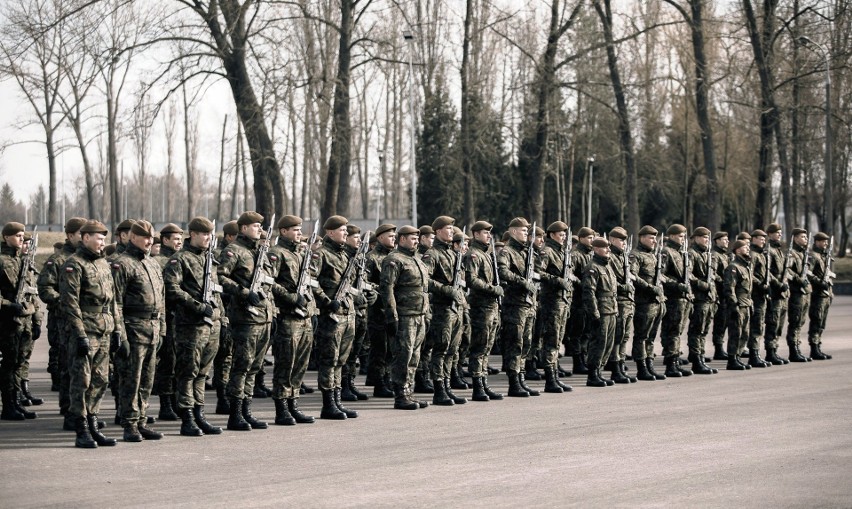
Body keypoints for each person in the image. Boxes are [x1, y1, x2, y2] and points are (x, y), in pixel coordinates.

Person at [163, 216, 226, 436]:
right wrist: (197, 307)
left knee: (202, 374)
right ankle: (187, 417)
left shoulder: (209, 259)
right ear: (194, 234)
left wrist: (221, 317)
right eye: (205, 234)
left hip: (212, 325)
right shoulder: (180, 260)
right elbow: (172, 289)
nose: (209, 238)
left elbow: (216, 291)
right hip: (190, 325)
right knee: (187, 373)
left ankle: (200, 414)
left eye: (210, 234)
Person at [59, 220, 119, 448]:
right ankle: (81, 428)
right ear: (85, 238)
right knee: (81, 381)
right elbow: (69, 303)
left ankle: (93, 422)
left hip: (104, 329)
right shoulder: (74, 265)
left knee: (100, 380)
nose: (102, 242)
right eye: (99, 238)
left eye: (104, 239)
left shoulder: (103, 264)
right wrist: (80, 334)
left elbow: (112, 301)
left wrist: (116, 330)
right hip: (85, 330)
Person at [217, 211, 275, 431]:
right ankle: (235, 414)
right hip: (245, 318)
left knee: (254, 367)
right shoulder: (234, 251)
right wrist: (242, 291)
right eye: (254, 226)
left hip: (263, 317)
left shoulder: (260, 251)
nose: (258, 230)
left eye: (260, 226)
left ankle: (247, 411)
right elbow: (220, 277)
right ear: (242, 228)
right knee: (241, 367)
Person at [111, 220, 167, 441]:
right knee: (131, 379)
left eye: (151, 237)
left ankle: (142, 420)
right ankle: (129, 423)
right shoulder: (121, 264)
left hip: (152, 328)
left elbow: (161, 299)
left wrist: (162, 329)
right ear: (132, 237)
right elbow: (115, 303)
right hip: (133, 329)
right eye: (144, 237)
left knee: (147, 379)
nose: (149, 241)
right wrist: (120, 334)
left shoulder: (153, 264)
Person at [265, 215, 320, 425]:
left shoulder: (302, 253)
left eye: (300, 230)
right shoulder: (276, 254)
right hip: (288, 316)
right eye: (295, 230)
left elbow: (310, 284)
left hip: (304, 316)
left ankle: (294, 404)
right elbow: (270, 282)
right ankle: (282, 408)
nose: (299, 233)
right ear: (283, 231)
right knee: (285, 364)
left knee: (300, 364)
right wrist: (290, 297)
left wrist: (312, 310)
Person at [37, 217, 87, 425]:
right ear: (70, 236)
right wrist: (64, 301)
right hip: (63, 321)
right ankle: (69, 412)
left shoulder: (85, 259)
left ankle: (83, 412)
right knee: (68, 366)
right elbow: (44, 288)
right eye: (80, 235)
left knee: (84, 368)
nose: (84, 238)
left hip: (85, 321)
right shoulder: (57, 260)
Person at [312, 215, 359, 419]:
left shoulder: (345, 256)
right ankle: (328, 403)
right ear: (330, 232)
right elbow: (311, 281)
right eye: (342, 230)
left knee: (341, 361)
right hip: (330, 315)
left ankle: (337, 401)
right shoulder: (321, 254)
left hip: (347, 313)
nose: (346, 233)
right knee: (329, 360)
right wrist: (325, 301)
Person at [380, 225, 431, 410]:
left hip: (419, 314)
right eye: (412, 238)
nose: (416, 241)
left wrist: (427, 312)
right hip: (404, 316)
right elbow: (387, 289)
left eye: (417, 238)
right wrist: (392, 316)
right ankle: (400, 394)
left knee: (414, 356)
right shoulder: (394, 260)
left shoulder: (417, 259)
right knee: (403, 355)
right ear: (402, 239)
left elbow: (424, 290)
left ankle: (409, 392)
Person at [422, 216, 467, 406]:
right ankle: (439, 389)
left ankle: (447, 386)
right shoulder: (432, 255)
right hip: (442, 308)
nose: (452, 231)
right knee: (440, 349)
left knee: (452, 351)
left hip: (456, 309)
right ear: (438, 231)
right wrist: (445, 289)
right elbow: (426, 279)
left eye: (452, 228)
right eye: (448, 228)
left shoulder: (453, 254)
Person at [0, 222, 39, 421]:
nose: (21, 239)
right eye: (17, 235)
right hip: (6, 321)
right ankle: (7, 405)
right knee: (8, 364)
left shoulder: (22, 261)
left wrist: (36, 319)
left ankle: (15, 402)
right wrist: (7, 305)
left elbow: (32, 293)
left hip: (24, 321)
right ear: (6, 237)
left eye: (23, 235)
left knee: (17, 363)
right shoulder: (2, 260)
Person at [497, 217, 540, 397]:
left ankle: (521, 379)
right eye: (523, 231)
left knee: (526, 343)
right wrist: (522, 282)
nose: (526, 234)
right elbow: (503, 271)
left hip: (528, 304)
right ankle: (513, 383)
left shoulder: (526, 252)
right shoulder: (507, 252)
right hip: (514, 304)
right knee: (515, 343)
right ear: (513, 231)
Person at [463, 221, 505, 401]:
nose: (489, 235)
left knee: (487, 347)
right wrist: (492, 288)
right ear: (476, 234)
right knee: (479, 347)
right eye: (485, 233)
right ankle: (477, 386)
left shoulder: (487, 254)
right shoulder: (473, 254)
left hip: (491, 306)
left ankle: (484, 382)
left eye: (490, 233)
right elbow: (471, 280)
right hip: (481, 307)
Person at [536, 221, 574, 392]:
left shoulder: (562, 252)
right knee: (551, 341)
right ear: (552, 235)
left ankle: (555, 376)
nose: (564, 237)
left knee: (557, 341)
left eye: (565, 234)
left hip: (562, 301)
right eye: (561, 234)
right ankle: (550, 379)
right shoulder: (547, 251)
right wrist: (557, 280)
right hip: (551, 301)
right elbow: (538, 272)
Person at [153, 222, 184, 421]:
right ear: (165, 240)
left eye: (181, 240)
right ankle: (166, 404)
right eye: (175, 239)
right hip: (168, 317)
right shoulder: (159, 261)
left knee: (179, 363)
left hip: (182, 318)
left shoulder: (179, 259)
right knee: (168, 363)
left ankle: (175, 402)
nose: (179, 243)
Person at [340, 224, 376, 402]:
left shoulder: (360, 258)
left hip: (361, 312)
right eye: (355, 237)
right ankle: (342, 386)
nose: (359, 241)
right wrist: (356, 298)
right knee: (345, 353)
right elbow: (340, 288)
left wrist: (372, 293)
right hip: (347, 310)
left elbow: (366, 282)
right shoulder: (345, 257)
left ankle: (350, 383)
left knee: (355, 352)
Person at [365, 224, 397, 398]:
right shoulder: (372, 258)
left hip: (392, 309)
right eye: (390, 235)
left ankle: (387, 379)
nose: (393, 238)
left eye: (394, 235)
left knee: (391, 348)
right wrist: (383, 289)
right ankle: (379, 383)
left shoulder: (394, 257)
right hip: (378, 309)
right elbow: (366, 282)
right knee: (380, 348)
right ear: (380, 238)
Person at [630, 226, 666, 381]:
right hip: (644, 302)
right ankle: (641, 368)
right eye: (651, 238)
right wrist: (650, 288)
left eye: (655, 239)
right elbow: (633, 276)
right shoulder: (636, 255)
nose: (654, 241)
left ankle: (650, 365)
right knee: (641, 336)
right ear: (642, 238)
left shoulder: (653, 256)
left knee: (651, 337)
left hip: (657, 302)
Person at [582, 237, 618, 387]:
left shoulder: (607, 266)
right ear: (596, 249)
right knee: (598, 343)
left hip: (611, 309)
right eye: (605, 248)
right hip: (601, 311)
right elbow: (589, 293)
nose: (608, 250)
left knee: (608, 343)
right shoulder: (592, 267)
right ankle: (592, 374)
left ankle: (600, 372)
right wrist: (594, 312)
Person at [659, 224, 693, 377]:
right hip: (673, 298)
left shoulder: (682, 253)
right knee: (673, 331)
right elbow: (660, 276)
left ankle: (675, 359)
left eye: (684, 236)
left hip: (683, 299)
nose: (683, 239)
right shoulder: (667, 252)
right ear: (672, 236)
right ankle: (671, 364)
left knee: (678, 331)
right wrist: (677, 285)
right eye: (680, 236)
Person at [212, 220, 239, 413]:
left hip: (236, 312)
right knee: (224, 358)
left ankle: (230, 395)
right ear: (229, 237)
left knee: (232, 357)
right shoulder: (220, 256)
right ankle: (222, 398)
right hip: (224, 310)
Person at [685, 227, 719, 375]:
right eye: (704, 237)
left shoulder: (708, 255)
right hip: (699, 298)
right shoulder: (692, 254)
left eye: (708, 237)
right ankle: (697, 360)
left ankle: (699, 355)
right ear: (696, 238)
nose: (706, 240)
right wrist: (701, 284)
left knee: (704, 330)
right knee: (697, 330)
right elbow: (688, 274)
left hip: (709, 298)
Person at [607, 227, 638, 383]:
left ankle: (621, 364)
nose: (624, 243)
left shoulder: (622, 257)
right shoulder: (610, 257)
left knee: (625, 336)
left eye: (625, 240)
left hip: (627, 302)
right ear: (612, 240)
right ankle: (615, 368)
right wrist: (624, 287)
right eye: (621, 240)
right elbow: (610, 282)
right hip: (618, 302)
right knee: (617, 337)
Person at [566, 227, 595, 375]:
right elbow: (569, 274)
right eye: (589, 238)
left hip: (589, 300)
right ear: (582, 238)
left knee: (587, 333)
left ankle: (584, 359)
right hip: (578, 300)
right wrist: (582, 282)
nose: (592, 240)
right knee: (577, 333)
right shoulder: (576, 255)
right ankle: (577, 362)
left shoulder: (592, 255)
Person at [724, 239, 753, 370]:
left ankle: (738, 357)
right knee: (735, 333)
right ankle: (732, 359)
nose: (747, 248)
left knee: (744, 333)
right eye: (744, 247)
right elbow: (730, 288)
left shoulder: (746, 266)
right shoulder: (733, 267)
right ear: (737, 250)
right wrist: (734, 305)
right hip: (738, 305)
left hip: (746, 304)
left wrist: (750, 303)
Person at [785, 228, 813, 362]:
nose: (805, 240)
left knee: (800, 322)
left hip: (805, 292)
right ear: (795, 238)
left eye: (806, 237)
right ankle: (793, 350)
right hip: (797, 293)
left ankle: (798, 348)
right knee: (795, 322)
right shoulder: (792, 254)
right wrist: (798, 279)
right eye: (802, 237)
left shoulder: (804, 254)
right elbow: (788, 271)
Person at [747, 230, 772, 368]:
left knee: (760, 324)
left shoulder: (762, 255)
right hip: (755, 294)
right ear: (753, 239)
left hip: (761, 295)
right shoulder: (753, 255)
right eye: (761, 238)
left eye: (764, 238)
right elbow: (750, 274)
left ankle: (756, 354)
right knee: (756, 325)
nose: (763, 240)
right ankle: (753, 355)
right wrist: (761, 285)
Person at [807, 232, 834, 360]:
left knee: (822, 323)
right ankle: (814, 348)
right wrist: (820, 282)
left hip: (826, 294)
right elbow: (808, 273)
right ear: (817, 242)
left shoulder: (824, 256)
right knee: (816, 321)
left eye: (827, 241)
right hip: (818, 294)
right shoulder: (813, 256)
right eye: (824, 241)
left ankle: (818, 346)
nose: (826, 244)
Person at [709, 232, 730, 360]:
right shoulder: (715, 255)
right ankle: (718, 349)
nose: (727, 241)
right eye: (724, 239)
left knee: (724, 322)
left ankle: (720, 347)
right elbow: (713, 273)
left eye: (728, 239)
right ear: (717, 241)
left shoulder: (724, 256)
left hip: (725, 293)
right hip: (719, 293)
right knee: (720, 322)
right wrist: (724, 281)